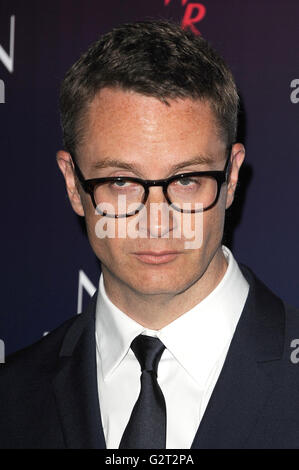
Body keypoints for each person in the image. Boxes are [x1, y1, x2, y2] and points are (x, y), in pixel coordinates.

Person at [1, 19, 299, 450]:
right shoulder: (11, 397)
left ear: (231, 176)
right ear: (72, 183)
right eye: (121, 182)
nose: (157, 223)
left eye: (187, 179)